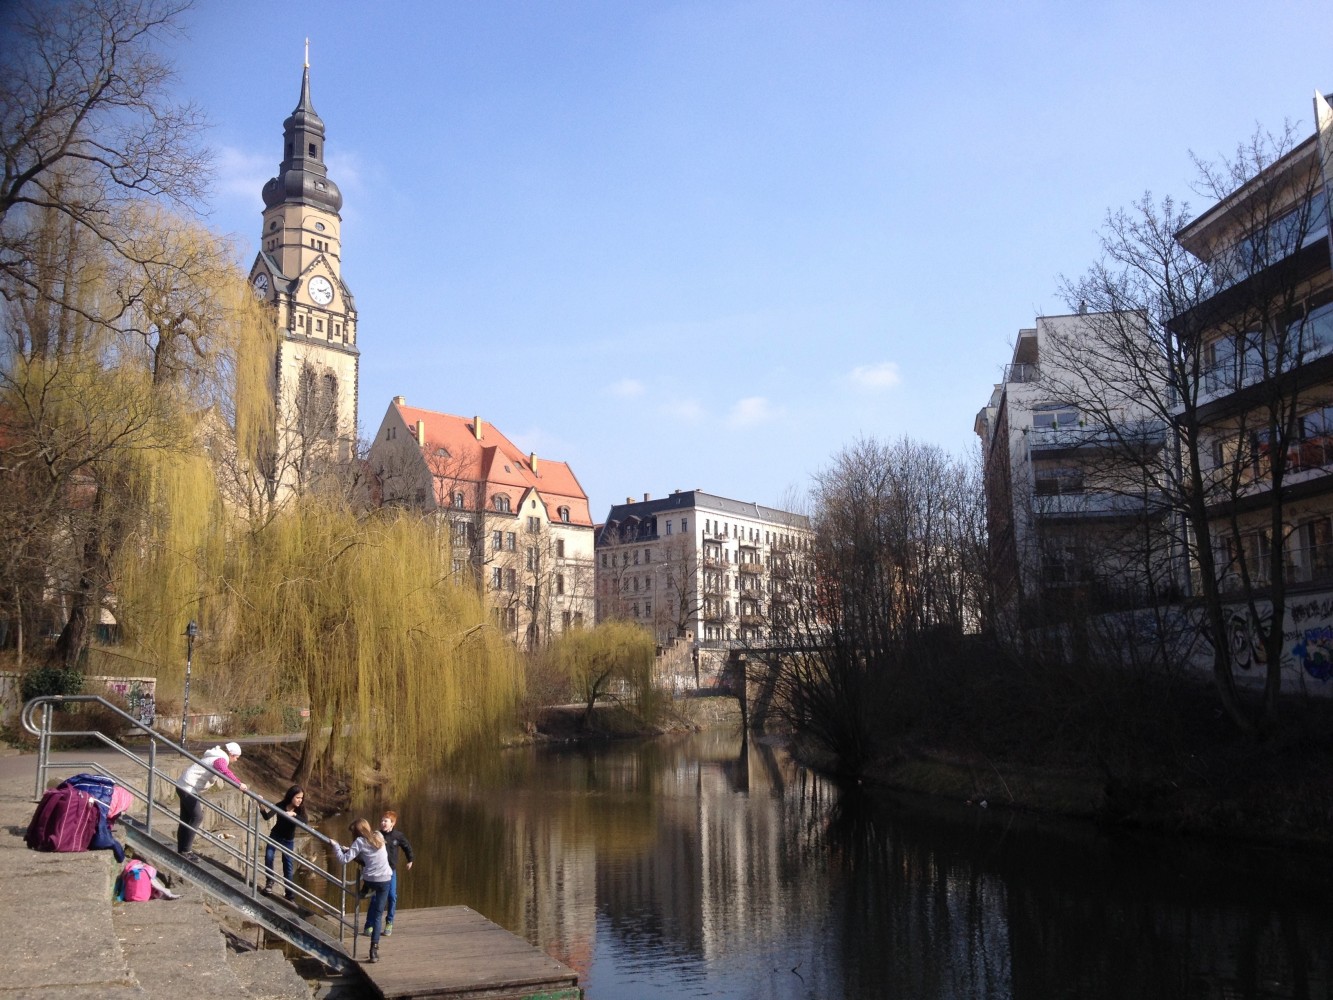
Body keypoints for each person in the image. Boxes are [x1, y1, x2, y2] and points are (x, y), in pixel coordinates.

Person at [331, 818, 392, 963]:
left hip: (370, 879)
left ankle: (364, 890)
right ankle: (373, 951)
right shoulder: (379, 835)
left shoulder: (359, 841)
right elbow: (372, 855)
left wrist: (336, 846)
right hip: (385, 879)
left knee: (367, 873)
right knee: (378, 916)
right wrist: (350, 850)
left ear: (356, 832)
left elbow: (343, 860)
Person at [175, 741, 247, 860]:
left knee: (186, 819)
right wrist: (238, 784)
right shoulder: (221, 759)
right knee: (197, 817)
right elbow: (224, 771)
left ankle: (182, 849)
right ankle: (186, 851)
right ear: (231, 754)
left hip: (184, 785)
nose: (236, 760)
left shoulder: (216, 756)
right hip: (187, 787)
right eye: (236, 757)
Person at [260, 784, 307, 900]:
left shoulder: (300, 809)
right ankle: (270, 882)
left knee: (288, 866)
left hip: (288, 840)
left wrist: (294, 814)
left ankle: (289, 893)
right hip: (275, 835)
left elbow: (305, 822)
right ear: (291, 796)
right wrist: (260, 805)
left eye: (301, 798)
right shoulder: (281, 805)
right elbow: (267, 817)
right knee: (269, 856)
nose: (300, 800)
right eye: (297, 797)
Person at [379, 810, 415, 937]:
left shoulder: (397, 836)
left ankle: (389, 922)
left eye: (386, 821)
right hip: (378, 871)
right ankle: (371, 924)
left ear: (392, 823)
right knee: (376, 898)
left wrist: (410, 860)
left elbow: (407, 846)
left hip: (391, 871)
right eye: (382, 820)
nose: (383, 823)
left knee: (392, 896)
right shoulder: (377, 835)